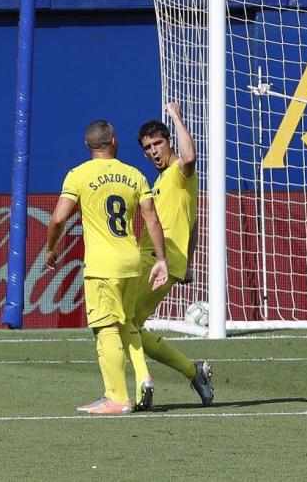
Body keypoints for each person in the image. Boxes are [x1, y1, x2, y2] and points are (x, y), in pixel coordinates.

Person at [46, 119, 168, 415]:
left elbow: (59, 217)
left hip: (102, 266)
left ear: (88, 146)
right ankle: (143, 378)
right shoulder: (134, 174)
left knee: (105, 328)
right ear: (113, 139)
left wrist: (51, 248)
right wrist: (161, 259)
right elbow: (151, 218)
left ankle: (117, 397)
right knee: (126, 323)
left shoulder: (79, 175)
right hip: (131, 261)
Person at [130, 102, 214, 409]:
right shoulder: (161, 181)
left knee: (120, 323)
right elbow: (191, 227)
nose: (153, 151)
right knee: (132, 326)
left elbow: (190, 157)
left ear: (169, 142)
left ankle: (143, 385)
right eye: (147, 147)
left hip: (157, 261)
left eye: (158, 143)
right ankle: (195, 373)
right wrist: (188, 264)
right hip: (156, 259)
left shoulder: (180, 172)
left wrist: (177, 117)